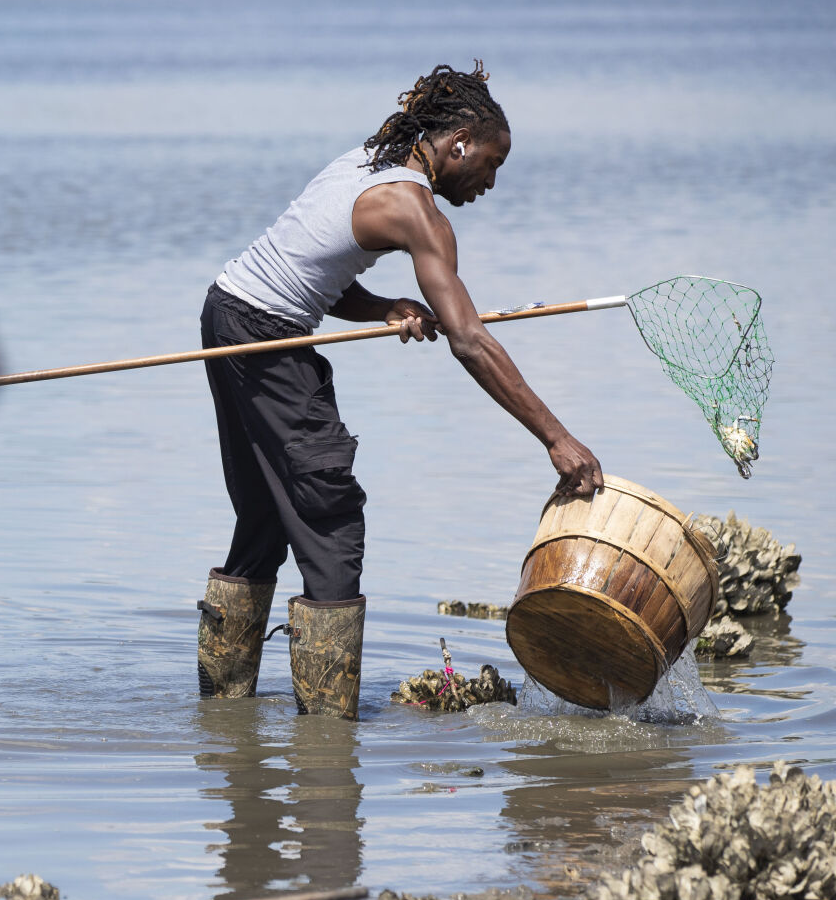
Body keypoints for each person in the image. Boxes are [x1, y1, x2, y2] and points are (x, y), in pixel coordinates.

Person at [194, 63, 602, 715]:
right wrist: (556, 438)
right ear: (460, 142)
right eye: (492, 164)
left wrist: (383, 305)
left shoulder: (366, 162)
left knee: (267, 516)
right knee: (330, 517)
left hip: (228, 310)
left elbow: (316, 265)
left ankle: (221, 718)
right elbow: (468, 340)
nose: (492, 183)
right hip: (263, 335)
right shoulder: (419, 213)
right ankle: (328, 742)